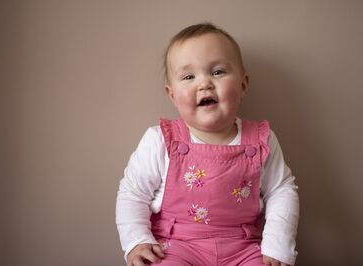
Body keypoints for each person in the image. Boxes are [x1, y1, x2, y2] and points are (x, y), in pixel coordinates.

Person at [116, 23, 299, 266]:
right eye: (189, 76)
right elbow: (133, 193)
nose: (204, 84)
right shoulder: (160, 139)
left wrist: (277, 245)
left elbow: (281, 190)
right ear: (172, 95)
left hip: (243, 247)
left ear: (243, 85)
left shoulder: (261, 139)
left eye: (218, 72)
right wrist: (137, 240)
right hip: (176, 246)